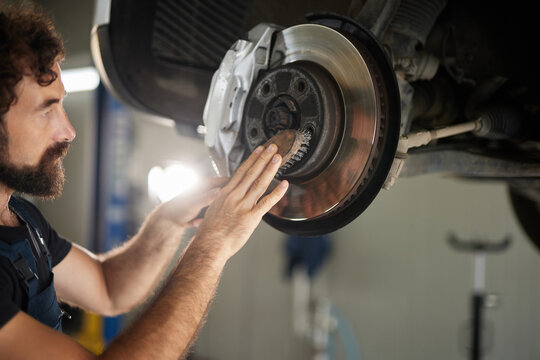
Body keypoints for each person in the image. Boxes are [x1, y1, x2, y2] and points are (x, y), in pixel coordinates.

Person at [0, 3, 289, 359]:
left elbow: (109, 288)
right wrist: (212, 246)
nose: (69, 131)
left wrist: (169, 220)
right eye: (47, 111)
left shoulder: (20, 217)